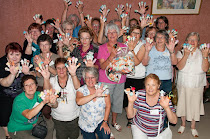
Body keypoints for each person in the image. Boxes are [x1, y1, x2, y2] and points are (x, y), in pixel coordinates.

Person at [176, 32, 209, 137]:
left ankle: (193, 127)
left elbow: (205, 69)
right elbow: (179, 67)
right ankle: (183, 124)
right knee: (183, 104)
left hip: (197, 83)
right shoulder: (181, 52)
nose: (192, 42)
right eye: (190, 39)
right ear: (186, 41)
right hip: (183, 83)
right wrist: (186, 54)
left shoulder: (203, 53)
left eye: (195, 40)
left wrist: (205, 57)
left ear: (198, 42)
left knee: (195, 105)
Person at [97, 23, 127, 137]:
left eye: (114, 32)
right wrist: (112, 55)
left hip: (120, 79)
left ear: (118, 34)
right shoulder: (102, 48)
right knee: (106, 104)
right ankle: (107, 125)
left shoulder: (124, 47)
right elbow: (103, 66)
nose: (112, 35)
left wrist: (125, 70)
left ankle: (114, 122)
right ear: (106, 35)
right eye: (109, 33)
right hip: (105, 80)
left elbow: (127, 64)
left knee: (117, 102)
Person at [127, 74, 177, 139]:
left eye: (153, 85)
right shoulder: (139, 94)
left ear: (158, 85)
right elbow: (130, 116)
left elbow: (174, 121)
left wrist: (166, 107)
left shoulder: (164, 97)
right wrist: (130, 102)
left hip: (158, 132)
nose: (150, 88)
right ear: (144, 85)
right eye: (148, 85)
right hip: (140, 128)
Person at [0, 42, 34, 139]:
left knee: (26, 110)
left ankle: (26, 127)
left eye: (17, 54)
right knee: (4, 114)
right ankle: (7, 135)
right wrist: (12, 74)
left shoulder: (25, 62)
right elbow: (4, 83)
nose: (14, 57)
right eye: (11, 54)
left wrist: (28, 73)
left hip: (22, 93)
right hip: (5, 93)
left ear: (21, 55)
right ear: (7, 56)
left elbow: (35, 77)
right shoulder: (2, 63)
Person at [42, 57, 81, 139]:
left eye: (63, 68)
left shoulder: (72, 78)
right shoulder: (52, 80)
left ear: (67, 68)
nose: (61, 70)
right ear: (55, 69)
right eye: (58, 68)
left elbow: (78, 87)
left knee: (74, 136)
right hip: (58, 118)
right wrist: (46, 79)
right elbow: (47, 92)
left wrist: (73, 74)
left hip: (73, 117)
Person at [76, 67, 111, 139]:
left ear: (97, 78)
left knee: (105, 136)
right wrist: (95, 95)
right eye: (87, 77)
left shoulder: (103, 89)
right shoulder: (81, 90)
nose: (90, 80)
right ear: (84, 79)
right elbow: (79, 102)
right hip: (86, 123)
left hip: (100, 120)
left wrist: (105, 122)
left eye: (92, 77)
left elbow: (108, 105)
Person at [123, 25, 146, 127]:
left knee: (137, 100)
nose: (135, 35)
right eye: (134, 33)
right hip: (127, 76)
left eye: (138, 33)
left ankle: (136, 118)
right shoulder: (124, 44)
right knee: (127, 99)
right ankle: (130, 119)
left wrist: (132, 50)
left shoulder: (142, 45)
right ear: (130, 34)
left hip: (138, 77)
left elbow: (136, 62)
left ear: (140, 35)